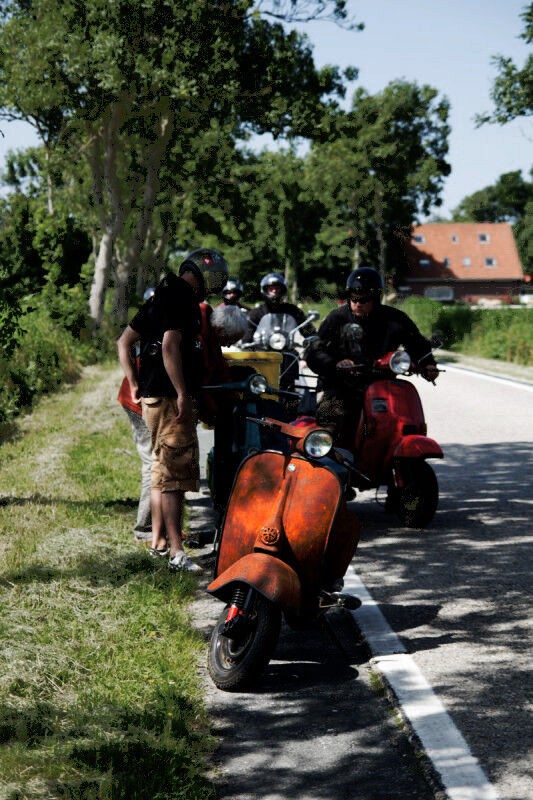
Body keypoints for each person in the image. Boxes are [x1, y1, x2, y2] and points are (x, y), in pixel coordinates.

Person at [116, 248, 228, 573]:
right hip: (168, 400)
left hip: (153, 399)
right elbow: (169, 346)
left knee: (160, 472)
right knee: (174, 479)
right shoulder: (182, 298)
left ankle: (159, 544)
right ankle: (177, 553)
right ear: (201, 275)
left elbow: (124, 342)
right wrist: (181, 392)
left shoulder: (161, 295)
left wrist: (135, 384)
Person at [305, 266, 439, 448]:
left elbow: (417, 344)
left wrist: (428, 364)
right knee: (331, 426)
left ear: (376, 298)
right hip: (341, 385)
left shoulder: (394, 319)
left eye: (364, 299)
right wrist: (335, 364)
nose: (357, 304)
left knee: (401, 419)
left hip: (381, 385)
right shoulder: (337, 318)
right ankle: (331, 460)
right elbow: (315, 351)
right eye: (353, 298)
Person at [116, 287, 155, 542]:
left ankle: (161, 525)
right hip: (139, 399)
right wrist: (133, 383)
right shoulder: (148, 320)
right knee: (153, 462)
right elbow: (123, 343)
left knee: (159, 461)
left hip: (149, 396)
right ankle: (145, 529)